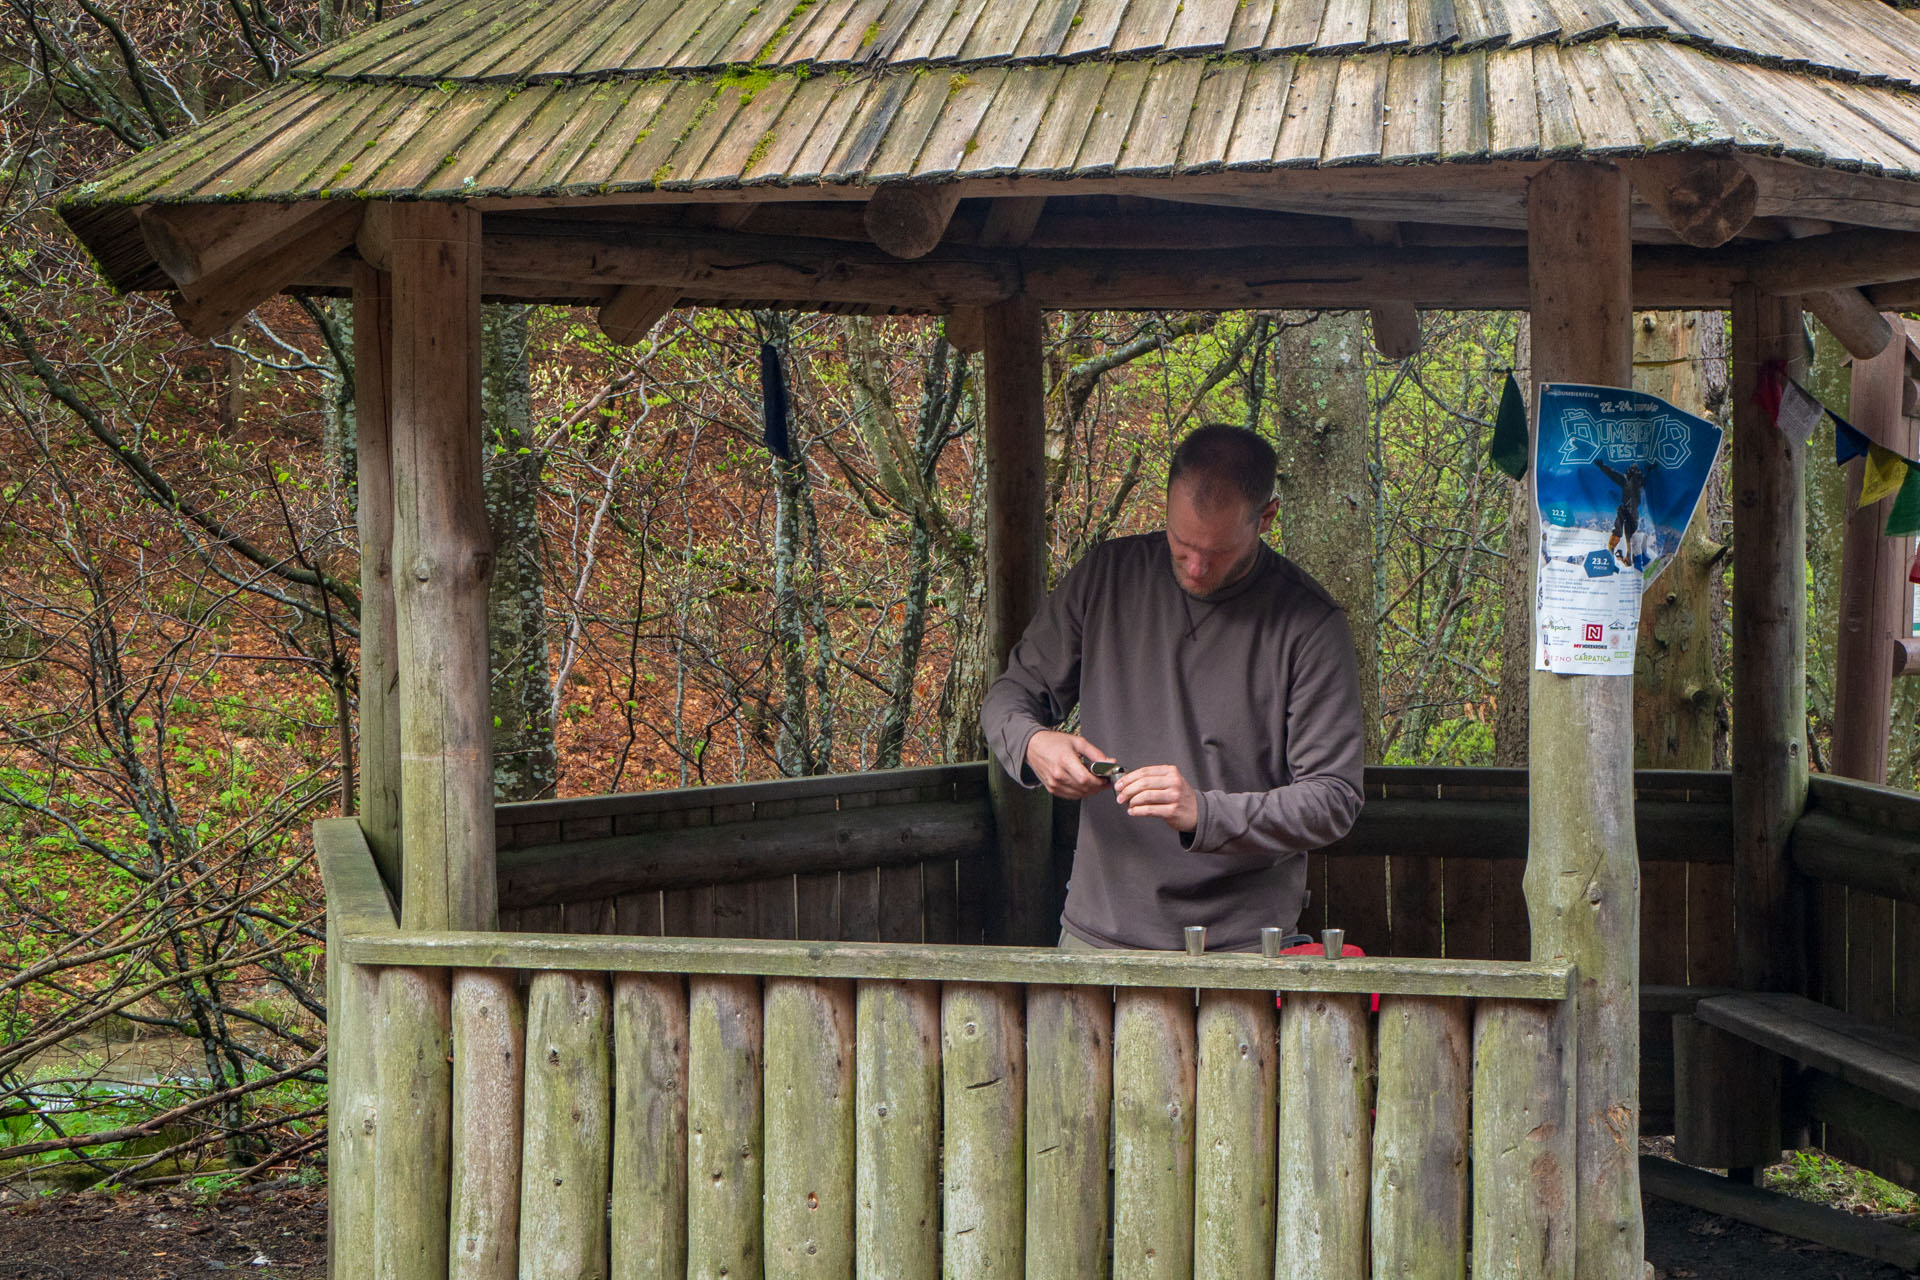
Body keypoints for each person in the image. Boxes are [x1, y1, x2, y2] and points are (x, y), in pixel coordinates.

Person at [980, 424, 1365, 952]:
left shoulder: (1311, 625)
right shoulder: (1106, 578)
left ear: (1267, 518)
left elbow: (1333, 799)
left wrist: (1203, 814)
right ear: (1164, 505)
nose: (1197, 567)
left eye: (1220, 550)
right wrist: (1032, 743)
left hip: (1245, 948)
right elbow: (1009, 696)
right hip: (1097, 936)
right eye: (1181, 544)